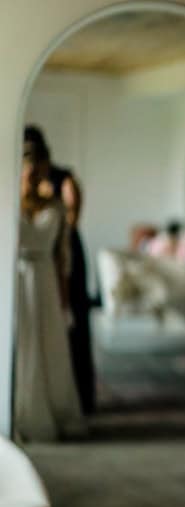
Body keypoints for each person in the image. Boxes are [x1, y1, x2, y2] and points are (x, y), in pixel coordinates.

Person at [16, 133, 86, 441]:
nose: (32, 177)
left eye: (37, 170)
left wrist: (64, 298)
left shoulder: (56, 207)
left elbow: (62, 257)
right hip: (16, 279)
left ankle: (56, 413)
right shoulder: (7, 203)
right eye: (27, 170)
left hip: (44, 277)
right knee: (23, 347)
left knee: (50, 346)